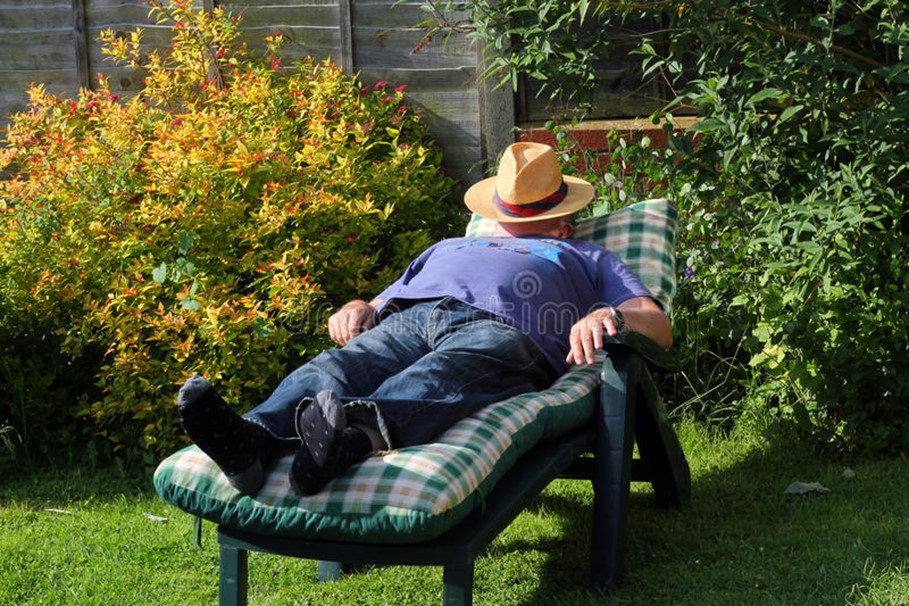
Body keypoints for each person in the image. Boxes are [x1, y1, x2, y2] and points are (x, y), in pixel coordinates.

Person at [177, 142, 672, 496]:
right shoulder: (450, 245)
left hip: (504, 332)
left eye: (521, 219)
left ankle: (346, 442)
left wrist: (607, 315)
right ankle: (250, 443)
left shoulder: (582, 255)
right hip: (408, 320)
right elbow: (376, 303)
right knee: (335, 367)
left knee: (443, 376)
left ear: (563, 224)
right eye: (505, 217)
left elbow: (656, 323)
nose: (506, 227)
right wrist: (356, 307)